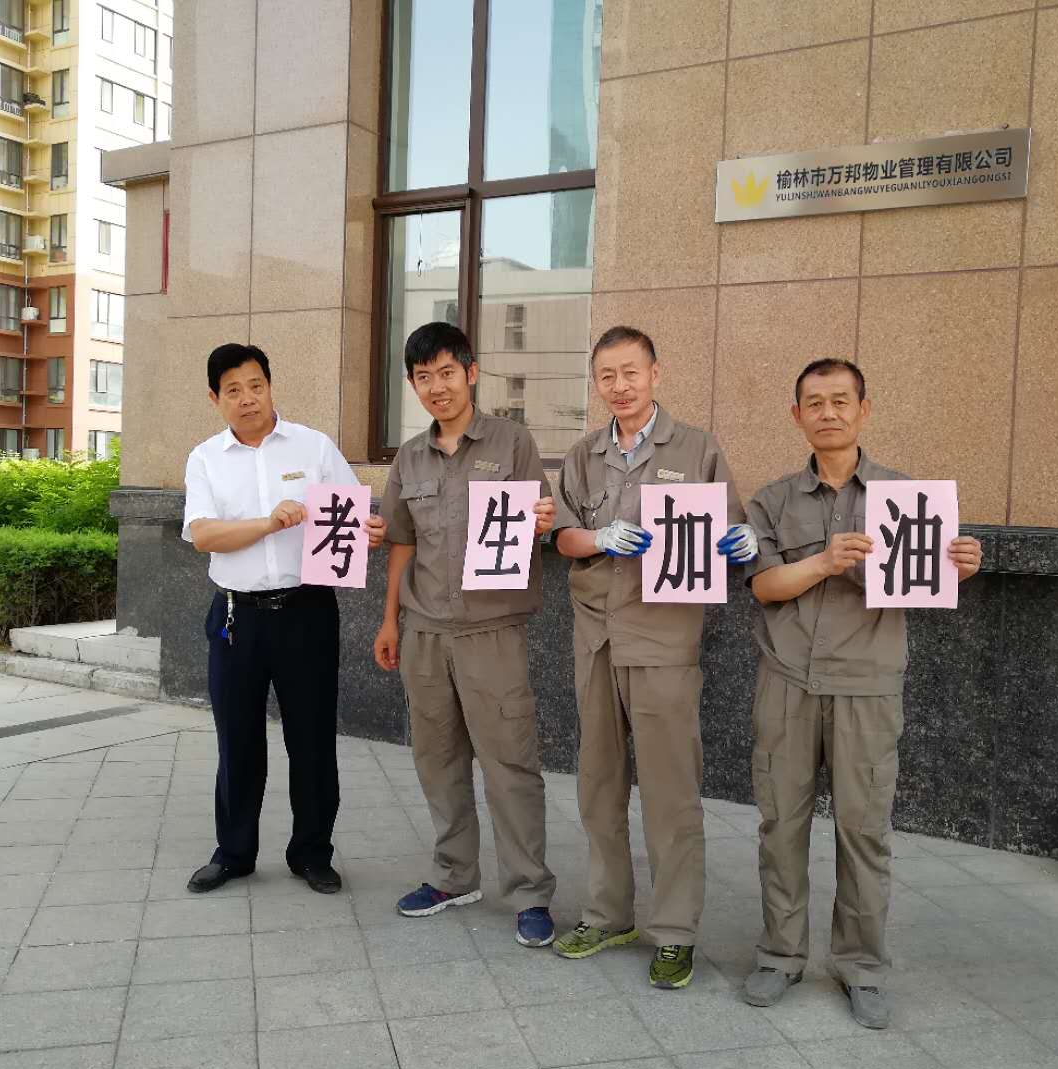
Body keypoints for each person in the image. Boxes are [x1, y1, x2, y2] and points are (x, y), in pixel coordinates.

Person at [740, 358, 982, 1028]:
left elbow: (927, 584)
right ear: (797, 416)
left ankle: (862, 967)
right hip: (787, 681)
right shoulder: (772, 500)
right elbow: (763, 586)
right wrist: (822, 561)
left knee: (864, 831)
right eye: (814, 402)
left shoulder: (906, 497)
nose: (828, 412)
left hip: (868, 686)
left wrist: (959, 568)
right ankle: (780, 955)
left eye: (841, 400)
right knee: (780, 826)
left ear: (864, 410)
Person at [550, 325, 756, 989]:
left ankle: (674, 933)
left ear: (655, 374)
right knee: (598, 785)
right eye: (607, 375)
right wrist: (596, 537)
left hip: (664, 641)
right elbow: (562, 537)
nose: (620, 386)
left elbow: (730, 524)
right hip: (597, 639)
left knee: (670, 793)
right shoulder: (583, 455)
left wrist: (741, 541)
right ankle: (608, 914)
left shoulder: (697, 448)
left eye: (631, 372)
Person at [364, 322, 558, 948]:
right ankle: (455, 875)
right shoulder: (409, 457)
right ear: (412, 384)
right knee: (437, 759)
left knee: (510, 764)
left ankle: (529, 891)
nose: (437, 387)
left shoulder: (512, 442)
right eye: (423, 378)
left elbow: (538, 521)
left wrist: (542, 523)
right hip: (424, 631)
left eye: (447, 373)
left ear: (471, 373)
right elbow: (400, 542)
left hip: (491, 631)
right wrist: (390, 620)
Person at [181, 343, 358, 895]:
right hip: (238, 617)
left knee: (312, 740)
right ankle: (234, 853)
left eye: (256, 385)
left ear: (271, 386)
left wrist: (368, 531)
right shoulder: (205, 458)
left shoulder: (313, 446)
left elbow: (351, 515)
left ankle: (312, 853)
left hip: (308, 612)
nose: (248, 398)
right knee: (237, 740)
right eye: (233, 390)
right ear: (215, 399)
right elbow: (203, 534)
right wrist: (268, 522)